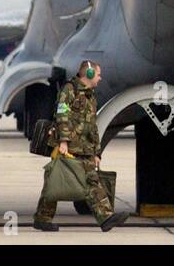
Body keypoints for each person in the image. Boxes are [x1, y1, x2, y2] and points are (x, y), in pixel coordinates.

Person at [33, 60, 128, 232]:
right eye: (98, 74)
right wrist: (63, 142)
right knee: (56, 181)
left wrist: (97, 152)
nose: (100, 78)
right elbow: (61, 115)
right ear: (89, 74)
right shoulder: (69, 90)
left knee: (91, 180)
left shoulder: (90, 95)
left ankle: (105, 217)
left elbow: (92, 126)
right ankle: (43, 218)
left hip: (84, 149)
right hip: (70, 147)